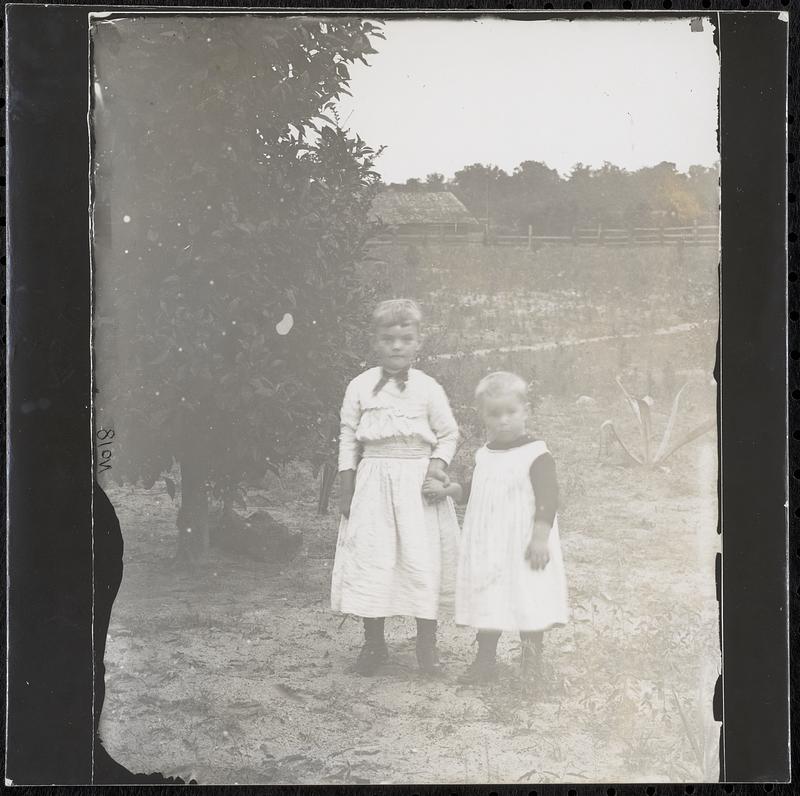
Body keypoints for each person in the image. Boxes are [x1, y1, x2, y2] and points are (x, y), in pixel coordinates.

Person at [330, 299, 461, 676]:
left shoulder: (428, 388)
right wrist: (346, 485)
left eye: (406, 338)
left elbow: (449, 434)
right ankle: (374, 644)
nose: (397, 346)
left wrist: (436, 470)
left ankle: (427, 646)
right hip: (373, 481)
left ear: (418, 342)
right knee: (375, 559)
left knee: (422, 562)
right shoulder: (359, 386)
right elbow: (348, 437)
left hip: (417, 483)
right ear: (375, 341)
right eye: (389, 338)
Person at [450, 371, 569, 685]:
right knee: (490, 595)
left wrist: (540, 537)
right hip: (490, 543)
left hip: (525, 542)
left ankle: (532, 660)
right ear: (483, 416)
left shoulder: (536, 454)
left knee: (527, 596)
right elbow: (476, 487)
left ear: (525, 411)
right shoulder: (484, 455)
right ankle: (486, 659)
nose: (503, 420)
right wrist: (455, 491)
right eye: (494, 414)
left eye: (510, 412)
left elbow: (549, 497)